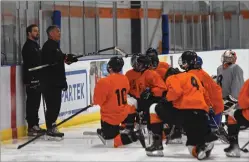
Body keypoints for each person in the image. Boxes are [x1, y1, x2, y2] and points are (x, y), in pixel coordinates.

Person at [145, 67, 217, 160]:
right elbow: (205, 94)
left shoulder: (172, 78)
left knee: (153, 108)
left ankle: (157, 146)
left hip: (185, 113)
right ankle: (201, 148)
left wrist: (166, 99)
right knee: (192, 146)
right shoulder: (193, 76)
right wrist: (209, 107)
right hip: (201, 114)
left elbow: (176, 92)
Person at [94, 56, 144, 148]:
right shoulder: (124, 79)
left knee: (110, 143)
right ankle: (119, 129)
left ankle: (135, 135)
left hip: (111, 117)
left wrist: (95, 102)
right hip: (123, 113)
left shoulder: (104, 81)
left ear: (109, 68)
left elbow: (98, 101)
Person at [40, 25, 78, 138]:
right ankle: (50, 127)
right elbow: (52, 61)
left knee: (56, 106)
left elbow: (59, 60)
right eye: (57, 31)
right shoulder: (48, 46)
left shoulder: (55, 46)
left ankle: (52, 126)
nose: (59, 33)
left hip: (56, 82)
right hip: (50, 83)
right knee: (52, 106)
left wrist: (68, 58)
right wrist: (64, 57)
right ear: (51, 34)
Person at [178, 52, 224, 132]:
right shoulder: (201, 73)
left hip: (211, 108)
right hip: (216, 106)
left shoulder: (193, 75)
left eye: (185, 62)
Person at [217, 50, 244, 157]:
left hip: (233, 101)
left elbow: (238, 85)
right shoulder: (219, 68)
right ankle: (233, 145)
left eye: (228, 58)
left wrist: (232, 99)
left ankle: (234, 146)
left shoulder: (236, 68)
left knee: (233, 121)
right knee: (230, 122)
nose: (226, 60)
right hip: (223, 99)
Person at [21, 24, 45, 136]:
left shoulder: (36, 45)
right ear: (29, 33)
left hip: (38, 78)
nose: (37, 33)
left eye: (37, 31)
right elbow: (33, 63)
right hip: (32, 79)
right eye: (35, 31)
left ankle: (35, 124)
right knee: (32, 103)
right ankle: (32, 126)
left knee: (36, 103)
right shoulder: (28, 47)